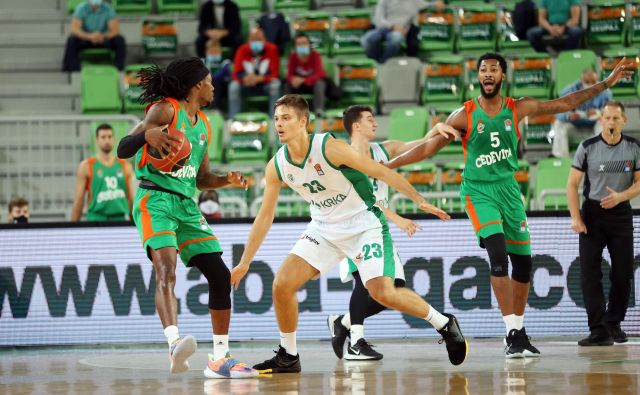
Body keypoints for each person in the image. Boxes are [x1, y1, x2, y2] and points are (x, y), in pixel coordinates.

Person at [386, 52, 633, 358]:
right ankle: (511, 332)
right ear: (478, 77)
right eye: (483, 70)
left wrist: (607, 83)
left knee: (524, 264)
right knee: (498, 257)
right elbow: (425, 150)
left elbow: (564, 104)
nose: (488, 74)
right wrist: (387, 166)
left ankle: (517, 330)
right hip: (478, 191)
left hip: (509, 189)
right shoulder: (463, 115)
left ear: (502, 76)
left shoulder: (518, 107)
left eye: (494, 69)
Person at [230, 94, 468, 373]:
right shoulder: (277, 164)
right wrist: (245, 262)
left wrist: (418, 199)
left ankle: (443, 323)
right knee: (282, 285)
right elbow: (265, 215)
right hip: (323, 228)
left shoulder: (329, 148)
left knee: (384, 293)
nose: (279, 124)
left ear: (303, 121)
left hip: (363, 224)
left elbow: (379, 171)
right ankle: (289, 355)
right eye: (276, 119)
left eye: (286, 118)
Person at [116, 57, 257, 379]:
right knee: (166, 269)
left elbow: (201, 177)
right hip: (156, 199)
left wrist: (226, 180)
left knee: (220, 277)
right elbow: (124, 148)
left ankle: (220, 358)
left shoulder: (204, 124)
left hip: (187, 205)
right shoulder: (165, 110)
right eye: (209, 81)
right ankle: (173, 341)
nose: (213, 86)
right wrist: (144, 137)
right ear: (197, 86)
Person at [327, 105, 459, 361]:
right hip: (353, 225)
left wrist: (437, 129)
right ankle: (356, 341)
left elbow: (419, 145)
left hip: (377, 227)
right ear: (356, 126)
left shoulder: (382, 150)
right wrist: (398, 218)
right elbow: (361, 200)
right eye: (369, 120)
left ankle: (342, 322)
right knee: (364, 283)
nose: (375, 123)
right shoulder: (343, 157)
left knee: (393, 289)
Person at [567, 101, 640, 347]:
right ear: (601, 120)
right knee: (589, 273)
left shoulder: (633, 147)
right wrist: (576, 217)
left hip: (620, 213)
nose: (611, 122)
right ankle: (598, 329)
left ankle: (613, 323)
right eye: (607, 118)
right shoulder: (587, 147)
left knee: (623, 272)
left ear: (624, 121)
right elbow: (571, 184)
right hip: (592, 214)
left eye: (615, 119)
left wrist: (621, 196)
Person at [71, 124, 134, 222]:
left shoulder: (125, 166)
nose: (107, 140)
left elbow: (130, 198)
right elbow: (79, 199)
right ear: (96, 140)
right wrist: (73, 227)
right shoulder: (86, 166)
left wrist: (134, 224)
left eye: (109, 137)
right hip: (95, 218)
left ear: (114, 139)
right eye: (103, 137)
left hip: (119, 219)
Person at [552, 69, 612, 158]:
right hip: (574, 128)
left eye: (593, 82)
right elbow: (557, 111)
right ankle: (561, 157)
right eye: (587, 82)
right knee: (559, 124)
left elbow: (612, 111)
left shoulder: (605, 92)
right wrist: (568, 116)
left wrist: (599, 113)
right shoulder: (570, 90)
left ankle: (601, 156)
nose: (590, 85)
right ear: (581, 81)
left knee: (605, 123)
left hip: (594, 130)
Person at [361, 0, 443, 64]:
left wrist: (437, 3)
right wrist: (392, 26)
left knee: (396, 39)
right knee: (366, 40)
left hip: (400, 31)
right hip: (383, 28)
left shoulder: (413, 1)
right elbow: (378, 19)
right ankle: (375, 61)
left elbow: (427, 5)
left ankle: (383, 63)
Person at [228, 27, 281, 118]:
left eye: (259, 39)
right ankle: (233, 119)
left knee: (276, 84)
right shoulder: (242, 50)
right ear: (248, 40)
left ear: (264, 40)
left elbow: (274, 74)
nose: (256, 42)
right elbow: (236, 73)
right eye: (253, 39)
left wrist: (259, 79)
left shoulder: (272, 49)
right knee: (233, 86)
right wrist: (245, 79)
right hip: (246, 85)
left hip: (264, 85)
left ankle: (274, 119)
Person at [62, 0, 127, 72]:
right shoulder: (81, 8)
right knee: (72, 40)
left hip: (103, 39)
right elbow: (74, 29)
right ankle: (73, 69)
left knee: (119, 40)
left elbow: (115, 30)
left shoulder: (108, 9)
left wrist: (103, 36)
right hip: (86, 39)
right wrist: (89, 36)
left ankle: (118, 69)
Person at [284, 33, 327, 115]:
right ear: (295, 47)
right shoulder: (292, 57)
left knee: (320, 83)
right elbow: (289, 75)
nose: (302, 46)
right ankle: (288, 111)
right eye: (299, 44)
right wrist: (293, 80)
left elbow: (320, 74)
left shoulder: (315, 55)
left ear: (309, 44)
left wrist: (304, 80)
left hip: (312, 84)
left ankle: (319, 111)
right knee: (287, 85)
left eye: (304, 43)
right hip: (298, 86)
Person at [203, 39, 232, 111]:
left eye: (216, 52)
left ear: (220, 52)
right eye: (211, 52)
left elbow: (222, 74)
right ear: (206, 52)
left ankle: (217, 108)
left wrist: (210, 79)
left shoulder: (225, 62)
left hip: (222, 86)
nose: (214, 54)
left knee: (218, 81)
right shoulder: (202, 62)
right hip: (206, 85)